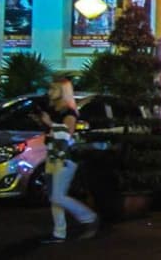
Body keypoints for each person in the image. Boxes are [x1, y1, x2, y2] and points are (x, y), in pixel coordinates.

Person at [38, 77, 98, 243]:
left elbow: (66, 136)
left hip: (64, 157)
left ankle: (89, 217)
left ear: (63, 92)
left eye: (54, 89)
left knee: (57, 196)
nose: (50, 92)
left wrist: (50, 124)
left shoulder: (68, 112)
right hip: (53, 155)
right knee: (54, 196)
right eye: (50, 88)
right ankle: (59, 232)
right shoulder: (56, 110)